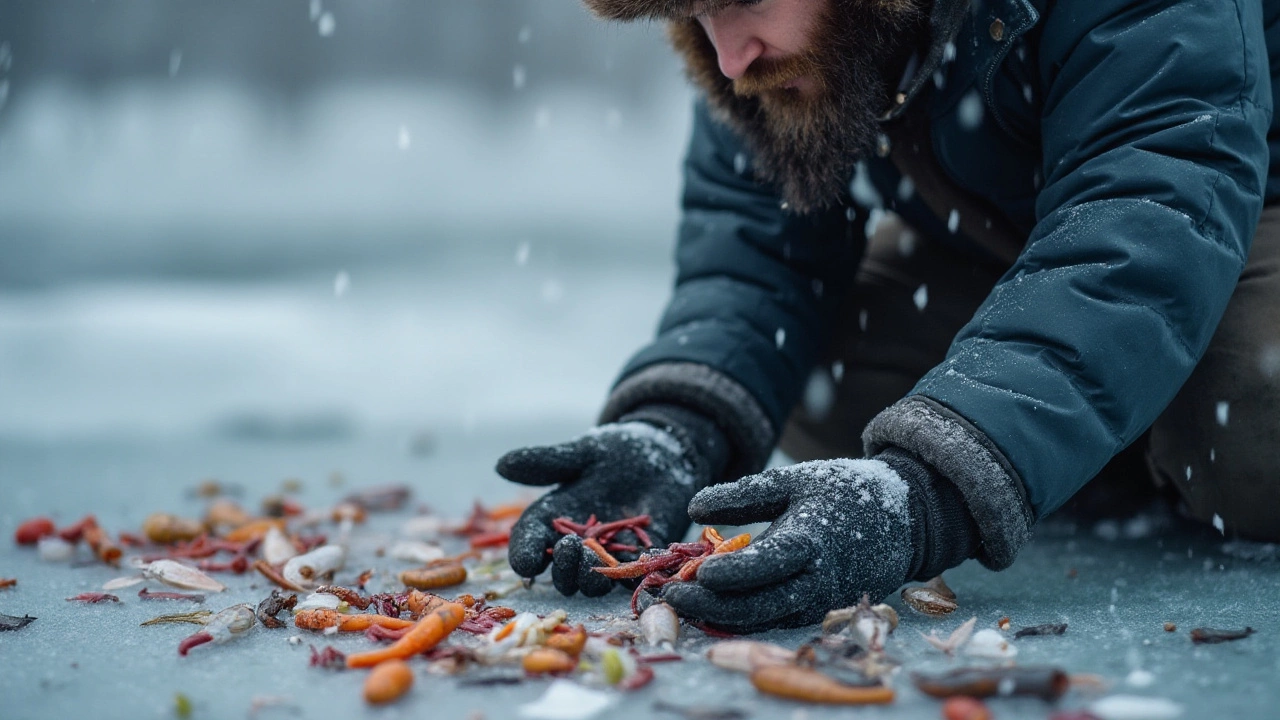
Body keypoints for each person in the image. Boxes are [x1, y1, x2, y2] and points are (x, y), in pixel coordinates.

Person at [496, 0, 1280, 633]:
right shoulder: (756, 49)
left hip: (1234, 213)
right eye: (697, 16)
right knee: (824, 380)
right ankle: (1096, 434)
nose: (730, 58)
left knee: (1252, 412)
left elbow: (1144, 214)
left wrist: (929, 493)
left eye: (740, 3)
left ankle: (1133, 432)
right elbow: (758, 251)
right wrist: (676, 429)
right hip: (1021, 236)